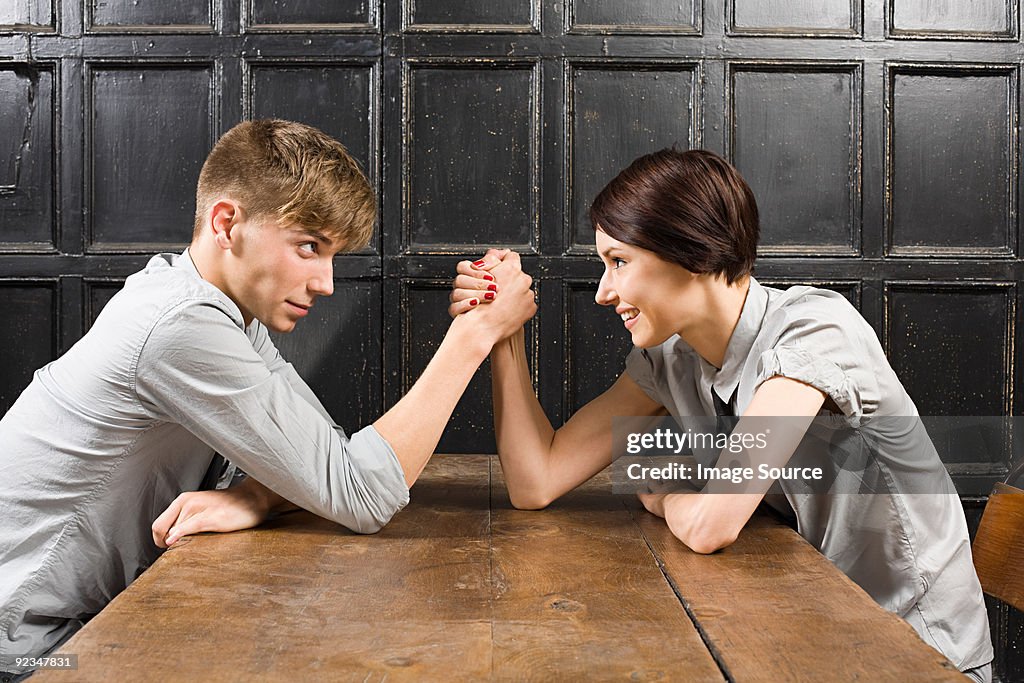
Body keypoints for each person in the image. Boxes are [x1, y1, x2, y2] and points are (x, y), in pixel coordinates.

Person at [0, 119, 536, 679]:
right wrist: (474, 335)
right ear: (227, 223)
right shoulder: (181, 325)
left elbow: (326, 463)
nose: (326, 282)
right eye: (308, 246)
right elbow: (362, 494)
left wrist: (255, 498)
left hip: (87, 620)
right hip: (29, 650)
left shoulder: (224, 313)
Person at [448, 148, 994, 681]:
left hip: (916, 650)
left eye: (619, 262)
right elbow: (536, 481)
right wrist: (500, 332)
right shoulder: (669, 356)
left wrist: (666, 496)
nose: (602, 293)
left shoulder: (816, 331)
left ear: (697, 254)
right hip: (812, 634)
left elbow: (713, 525)